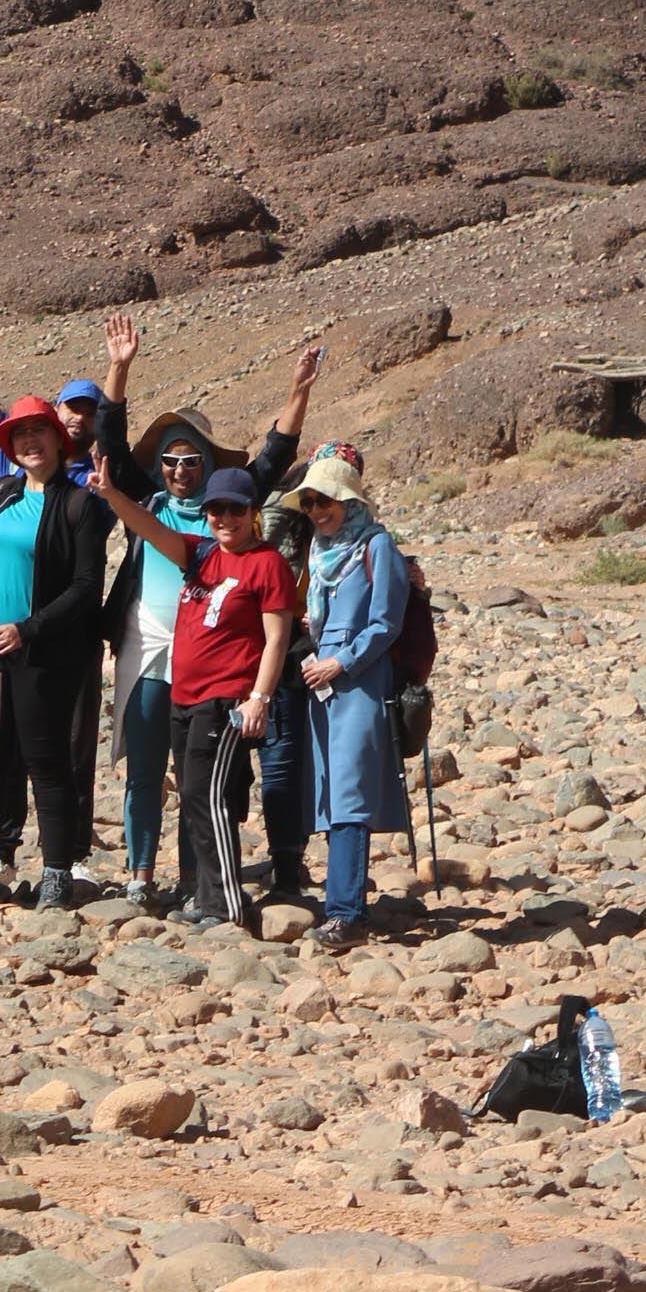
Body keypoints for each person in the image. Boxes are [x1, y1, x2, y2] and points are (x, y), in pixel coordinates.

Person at [96, 318, 321, 909]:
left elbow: (276, 455)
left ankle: (202, 879)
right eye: (170, 461)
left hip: (219, 658)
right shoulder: (152, 505)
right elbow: (112, 454)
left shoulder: (230, 503)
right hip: (149, 641)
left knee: (206, 776)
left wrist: (298, 391)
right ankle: (143, 875)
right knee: (147, 764)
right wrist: (119, 367)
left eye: (190, 460)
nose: (179, 471)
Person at [86, 453, 293, 928]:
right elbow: (150, 530)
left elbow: (277, 638)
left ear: (252, 513)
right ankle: (204, 895)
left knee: (207, 798)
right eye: (217, 510)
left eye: (236, 510)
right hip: (185, 695)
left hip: (227, 699)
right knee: (194, 799)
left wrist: (259, 699)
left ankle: (225, 907)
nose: (225, 519)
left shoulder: (266, 565)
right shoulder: (201, 555)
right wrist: (111, 493)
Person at [0, 395, 110, 909]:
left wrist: (30, 628)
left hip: (40, 648)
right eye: (20, 435)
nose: (30, 442)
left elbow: (87, 586)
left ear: (58, 441)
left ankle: (57, 871)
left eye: (39, 432)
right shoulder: (0, 492)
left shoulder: (80, 504)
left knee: (45, 757)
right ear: (9, 448)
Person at [269, 451, 413, 954]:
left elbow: (385, 623)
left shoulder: (377, 546)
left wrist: (341, 661)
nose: (317, 510)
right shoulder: (321, 551)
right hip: (322, 682)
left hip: (358, 682)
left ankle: (346, 913)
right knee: (330, 792)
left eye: (326, 500)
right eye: (310, 502)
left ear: (348, 499)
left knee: (349, 792)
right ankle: (345, 901)